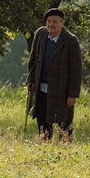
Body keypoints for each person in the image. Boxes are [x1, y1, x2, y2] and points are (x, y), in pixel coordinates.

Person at [26, 8, 82, 142]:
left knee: (64, 121)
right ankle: (45, 146)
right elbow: (33, 59)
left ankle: (66, 151)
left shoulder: (70, 41)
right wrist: (31, 78)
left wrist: (73, 94)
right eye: (49, 21)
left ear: (62, 23)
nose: (51, 24)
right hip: (41, 87)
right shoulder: (40, 34)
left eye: (55, 22)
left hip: (61, 90)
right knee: (42, 118)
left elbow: (76, 70)